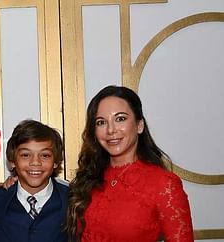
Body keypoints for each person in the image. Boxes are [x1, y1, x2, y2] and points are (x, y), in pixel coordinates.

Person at [65, 85, 193, 241]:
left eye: (120, 119)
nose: (111, 130)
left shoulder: (164, 184)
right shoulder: (89, 178)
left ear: (139, 125)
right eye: (101, 122)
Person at [0, 119, 69, 242]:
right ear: (12, 161)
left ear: (56, 161)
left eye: (45, 155)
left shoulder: (74, 201)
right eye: (25, 155)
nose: (35, 162)